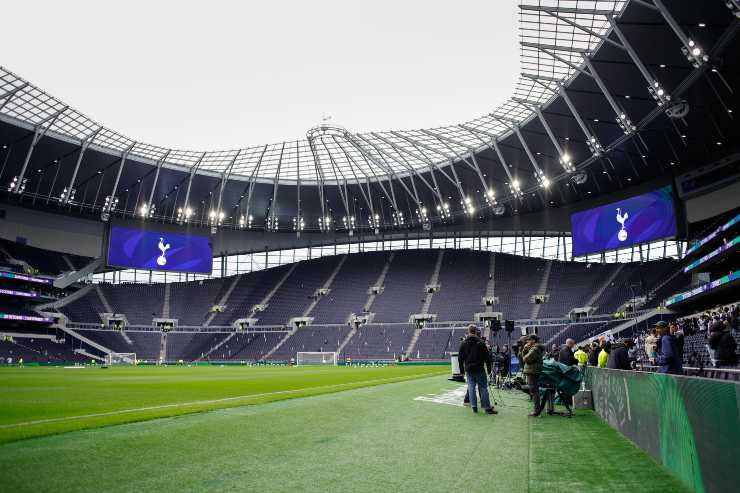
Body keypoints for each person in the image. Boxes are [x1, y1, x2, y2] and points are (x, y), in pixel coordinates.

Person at [458, 325, 496, 415]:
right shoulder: (481, 342)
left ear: (468, 331)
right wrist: (490, 370)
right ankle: (487, 408)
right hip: (479, 368)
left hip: (469, 369)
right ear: (475, 331)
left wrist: (462, 371)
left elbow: (460, 359)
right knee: (483, 387)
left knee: (471, 387)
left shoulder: (463, 343)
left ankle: (474, 407)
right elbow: (487, 358)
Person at [522, 334, 545, 417]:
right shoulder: (535, 348)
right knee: (534, 390)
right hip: (533, 371)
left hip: (532, 371)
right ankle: (537, 409)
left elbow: (525, 359)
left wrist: (524, 349)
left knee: (534, 391)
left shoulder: (535, 349)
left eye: (529, 340)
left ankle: (536, 411)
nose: (527, 341)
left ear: (533, 341)